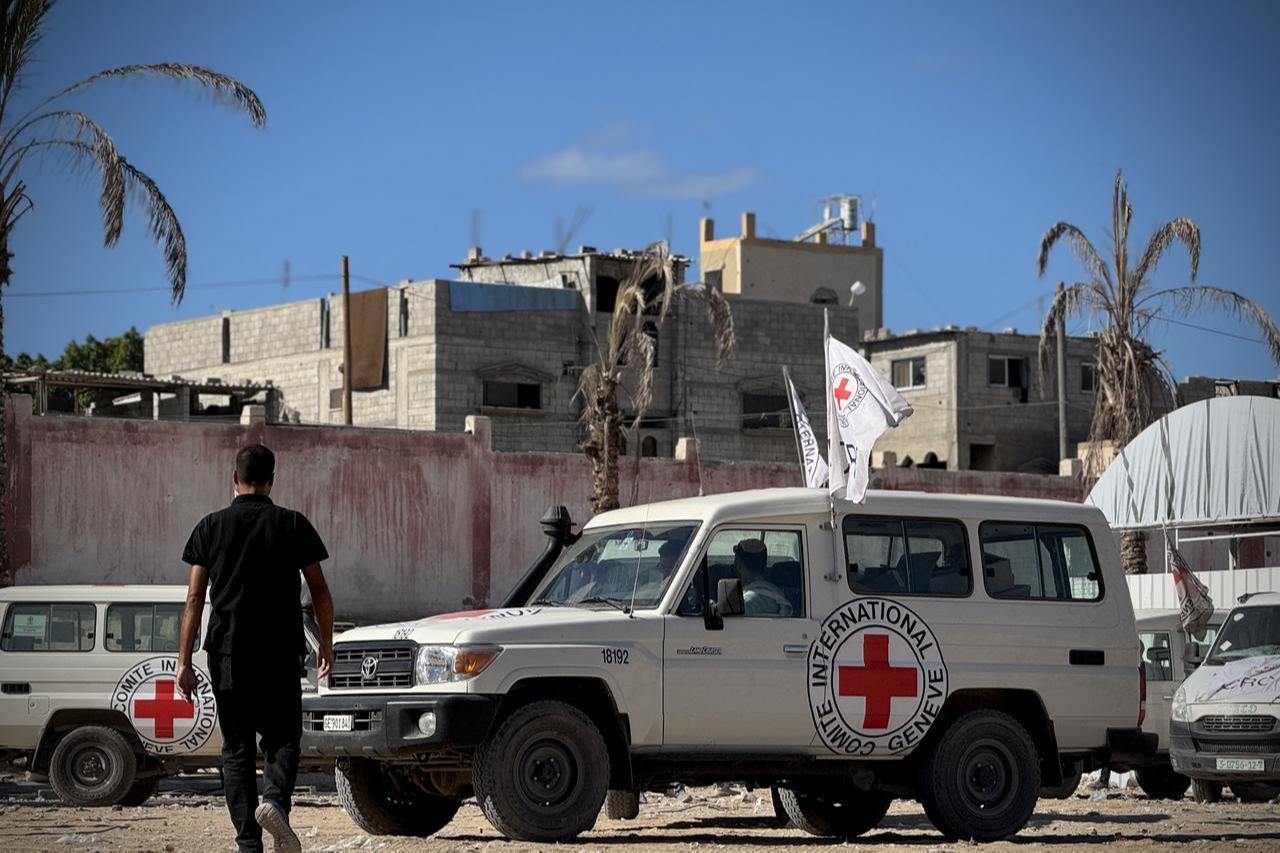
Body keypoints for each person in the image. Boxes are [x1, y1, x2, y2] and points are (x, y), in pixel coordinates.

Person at [177, 444, 335, 853]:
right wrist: (327, 644)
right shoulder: (292, 524)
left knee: (237, 748)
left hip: (228, 651)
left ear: (234, 478)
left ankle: (249, 843)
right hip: (281, 649)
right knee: (284, 738)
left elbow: (195, 598)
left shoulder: (210, 526)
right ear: (272, 480)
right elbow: (319, 591)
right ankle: (276, 803)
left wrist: (183, 662)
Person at [732, 538, 792, 617]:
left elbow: (731, 615)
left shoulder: (755, 598)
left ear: (738, 565)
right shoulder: (774, 591)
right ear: (764, 565)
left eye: (736, 562)